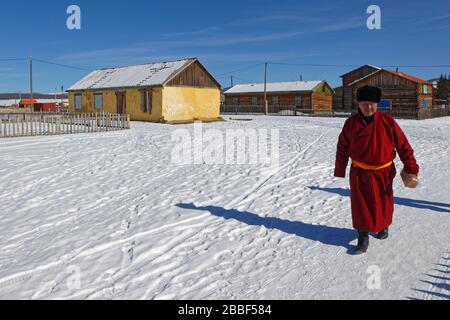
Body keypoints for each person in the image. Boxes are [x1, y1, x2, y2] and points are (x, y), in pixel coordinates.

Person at [334, 85, 419, 254]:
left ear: (377, 104)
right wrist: (340, 168)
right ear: (358, 104)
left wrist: (411, 167)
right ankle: (363, 235)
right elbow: (342, 147)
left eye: (372, 103)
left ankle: (383, 226)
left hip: (384, 172)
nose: (369, 107)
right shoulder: (351, 124)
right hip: (360, 172)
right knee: (361, 205)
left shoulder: (388, 122)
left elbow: (403, 145)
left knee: (383, 202)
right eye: (365, 103)